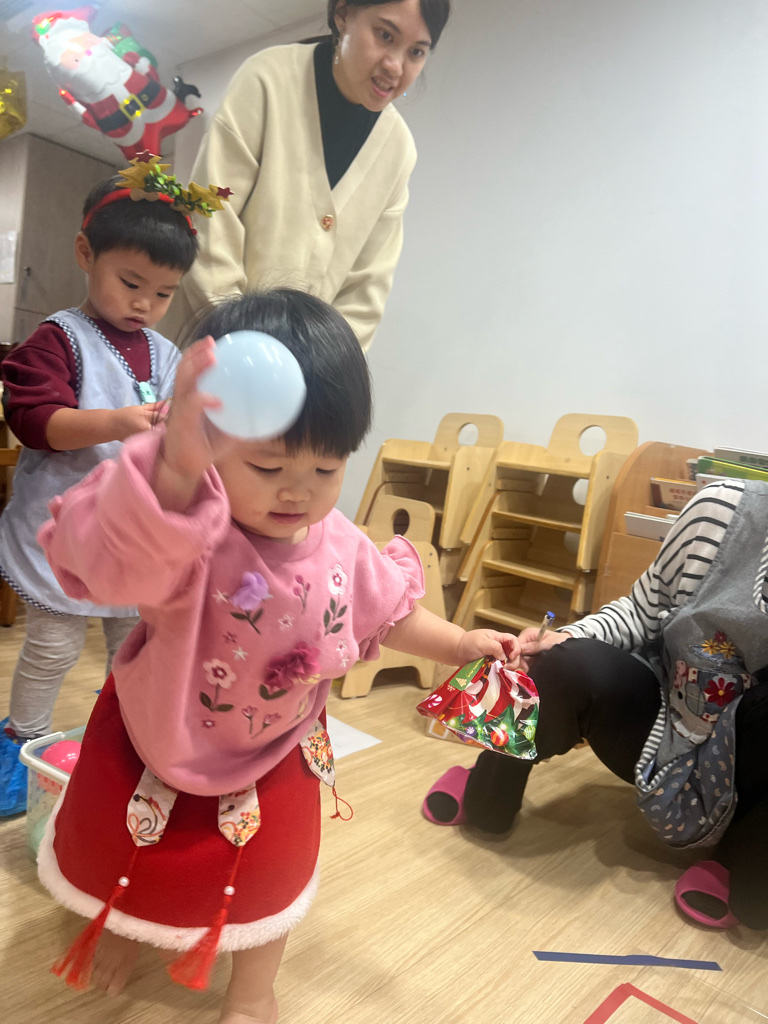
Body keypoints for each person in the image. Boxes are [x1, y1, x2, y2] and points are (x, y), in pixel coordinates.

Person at [36, 288, 520, 1024]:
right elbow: (102, 559)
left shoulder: (342, 543)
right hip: (156, 734)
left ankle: (253, 992)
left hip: (278, 750)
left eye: (327, 470)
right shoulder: (184, 524)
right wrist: (172, 470)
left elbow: (391, 613)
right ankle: (128, 929)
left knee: (270, 881)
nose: (299, 492)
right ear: (211, 449)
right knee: (132, 859)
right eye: (267, 468)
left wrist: (460, 643)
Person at [423, 480, 768, 933]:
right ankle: (487, 789)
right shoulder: (722, 509)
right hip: (671, 719)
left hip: (753, 762)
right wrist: (569, 638)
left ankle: (740, 857)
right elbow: (643, 609)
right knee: (568, 662)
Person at [0, 158, 211, 816]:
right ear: (86, 254)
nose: (145, 303)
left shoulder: (168, 355)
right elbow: (34, 421)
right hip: (66, 531)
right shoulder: (58, 338)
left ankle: (122, 735)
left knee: (135, 646)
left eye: (164, 292)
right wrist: (121, 421)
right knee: (54, 646)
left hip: (136, 537)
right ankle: (21, 744)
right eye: (131, 283)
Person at [178, 0, 451, 351]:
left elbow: (366, 291)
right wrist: (247, 349)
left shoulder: (398, 150)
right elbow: (211, 219)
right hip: (211, 347)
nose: (395, 66)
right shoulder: (269, 79)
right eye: (385, 35)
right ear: (343, 13)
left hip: (304, 373)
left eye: (416, 52)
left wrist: (319, 368)